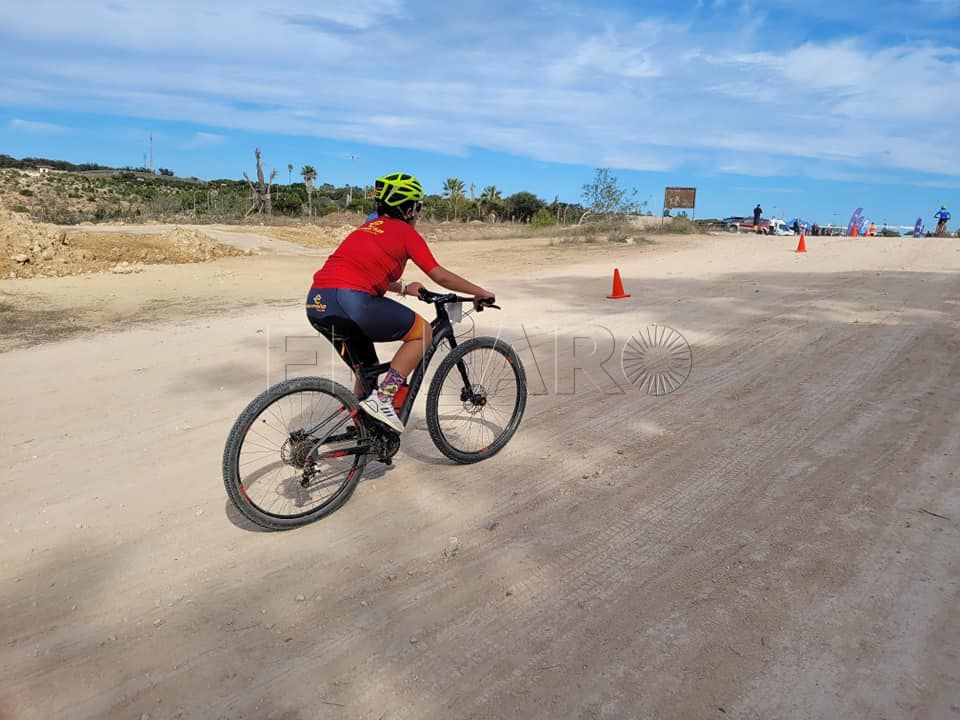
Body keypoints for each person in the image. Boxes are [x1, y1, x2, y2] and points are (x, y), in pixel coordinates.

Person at [306, 171, 494, 433]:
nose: (418, 214)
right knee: (423, 332)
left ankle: (365, 432)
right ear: (409, 209)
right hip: (352, 303)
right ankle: (385, 398)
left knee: (367, 371)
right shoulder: (405, 232)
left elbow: (359, 272)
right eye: (418, 207)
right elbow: (439, 275)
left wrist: (404, 288)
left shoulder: (365, 229)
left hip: (318, 303)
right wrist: (479, 292)